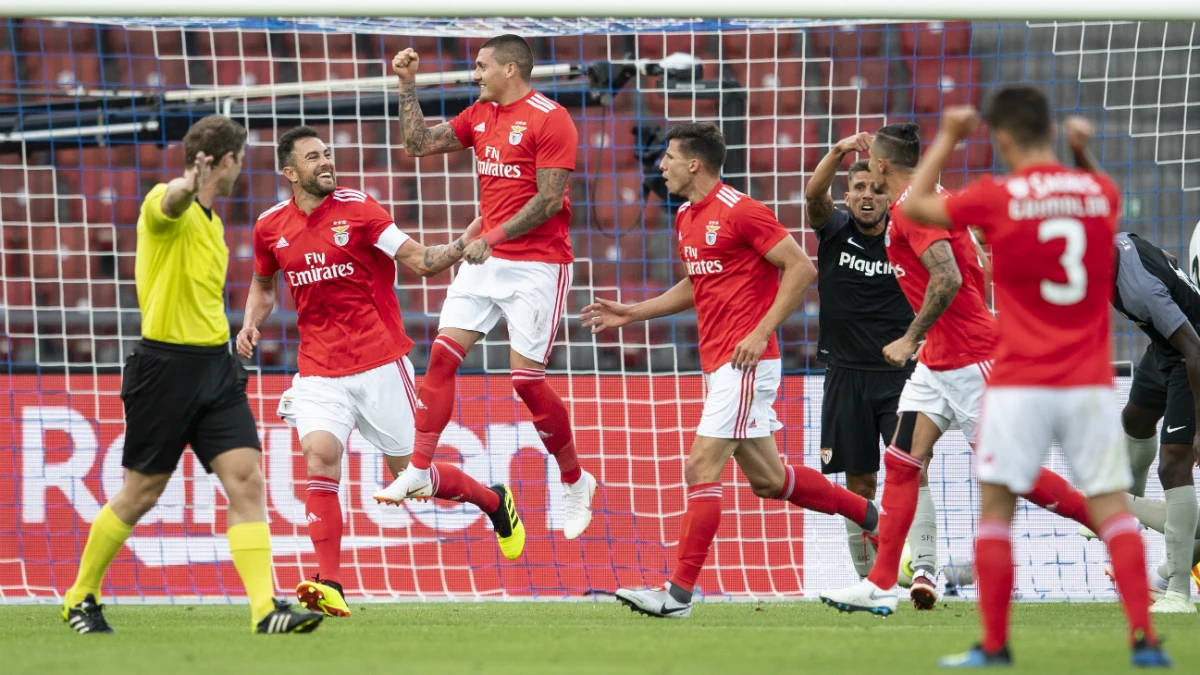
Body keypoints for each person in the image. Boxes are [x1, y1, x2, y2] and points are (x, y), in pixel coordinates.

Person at [901, 88, 1168, 667]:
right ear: (1052, 131)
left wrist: (947, 134)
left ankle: (995, 647)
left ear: (1001, 138)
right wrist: (1084, 156)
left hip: (1019, 379)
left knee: (996, 509)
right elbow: (1110, 202)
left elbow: (916, 205)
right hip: (1089, 380)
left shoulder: (997, 196)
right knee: (1113, 509)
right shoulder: (1095, 192)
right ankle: (1143, 639)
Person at [581, 122, 881, 618]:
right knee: (769, 480)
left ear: (694, 163)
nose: (662, 166)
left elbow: (801, 267)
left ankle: (677, 596)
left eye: (670, 158)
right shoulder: (685, 216)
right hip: (719, 363)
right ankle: (873, 515)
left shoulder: (742, 211)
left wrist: (761, 331)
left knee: (700, 466)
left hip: (745, 363)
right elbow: (697, 284)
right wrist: (635, 311)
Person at [238, 126, 526, 618]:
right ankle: (330, 583)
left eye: (328, 153)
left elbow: (421, 261)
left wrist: (463, 243)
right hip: (318, 368)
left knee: (411, 477)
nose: (326, 162)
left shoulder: (361, 209)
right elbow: (264, 285)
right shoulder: (269, 226)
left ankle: (493, 500)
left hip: (380, 363)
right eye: (313, 157)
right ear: (290, 173)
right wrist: (250, 322)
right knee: (319, 455)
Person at [819, 122, 1099, 616]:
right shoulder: (924, 195)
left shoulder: (911, 207)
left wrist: (909, 337)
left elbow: (947, 276)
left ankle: (1105, 519)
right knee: (902, 462)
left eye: (872, 168)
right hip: (938, 363)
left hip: (972, 359)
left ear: (882, 165)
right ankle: (883, 583)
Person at [61, 116, 322, 635]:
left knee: (247, 478)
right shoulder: (167, 205)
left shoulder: (213, 222)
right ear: (224, 162)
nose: (242, 168)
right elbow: (169, 203)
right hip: (164, 370)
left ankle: (264, 611)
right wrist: (184, 184)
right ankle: (79, 596)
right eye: (240, 159)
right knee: (142, 492)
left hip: (215, 369)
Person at [373, 34, 595, 539]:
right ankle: (418, 468)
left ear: (511, 70)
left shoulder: (551, 118)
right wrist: (406, 86)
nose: (474, 74)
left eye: (481, 66)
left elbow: (548, 200)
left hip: (538, 265)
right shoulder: (480, 114)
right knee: (443, 357)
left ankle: (576, 480)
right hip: (486, 259)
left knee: (525, 382)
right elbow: (417, 144)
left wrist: (490, 236)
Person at [806, 133, 920, 581]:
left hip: (900, 376)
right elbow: (814, 194)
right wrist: (837, 152)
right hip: (845, 375)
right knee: (859, 485)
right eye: (858, 189)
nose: (867, 196)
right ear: (847, 195)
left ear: (890, 195)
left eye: (876, 188)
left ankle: (922, 568)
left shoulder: (907, 233)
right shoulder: (833, 229)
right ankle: (865, 579)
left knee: (912, 471)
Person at [1106, 230, 1200, 613]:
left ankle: (1179, 592)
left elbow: (1193, 349)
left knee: (1174, 463)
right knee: (1135, 419)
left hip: (1190, 354)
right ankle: (1128, 514)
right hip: (1166, 347)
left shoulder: (1140, 290)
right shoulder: (1117, 242)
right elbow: (1162, 254)